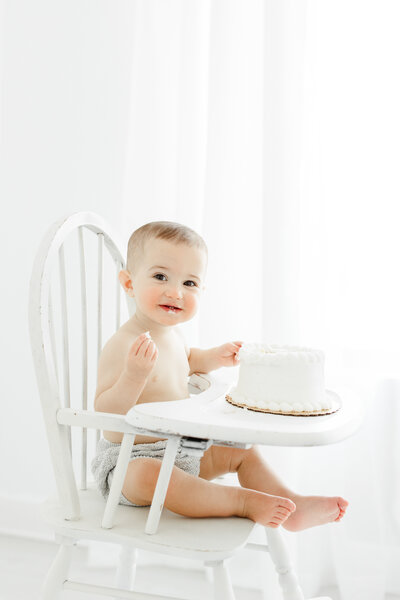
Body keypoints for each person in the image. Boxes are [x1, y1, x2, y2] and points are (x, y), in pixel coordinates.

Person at [91, 221, 348, 530]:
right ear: (129, 283)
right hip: (130, 463)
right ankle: (242, 501)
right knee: (153, 476)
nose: (175, 292)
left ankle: (292, 503)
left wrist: (213, 357)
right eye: (161, 277)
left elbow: (187, 361)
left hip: (181, 450)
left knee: (242, 451)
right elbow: (105, 413)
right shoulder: (122, 345)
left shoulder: (173, 335)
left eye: (189, 283)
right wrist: (133, 376)